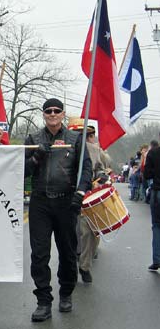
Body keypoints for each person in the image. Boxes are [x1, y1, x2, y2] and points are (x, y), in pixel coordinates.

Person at [24, 98, 92, 322]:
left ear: (63, 114)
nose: (52, 114)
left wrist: (79, 194)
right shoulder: (33, 138)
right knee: (39, 254)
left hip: (66, 202)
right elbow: (22, 172)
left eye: (57, 111)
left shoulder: (76, 138)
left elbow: (86, 170)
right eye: (48, 111)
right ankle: (43, 301)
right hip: (40, 202)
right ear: (43, 114)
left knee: (67, 251)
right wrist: (36, 156)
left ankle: (66, 293)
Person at [68, 119, 110, 284]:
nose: (82, 136)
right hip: (66, 196)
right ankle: (70, 266)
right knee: (69, 233)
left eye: (85, 133)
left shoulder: (94, 150)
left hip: (87, 196)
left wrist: (101, 176)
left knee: (90, 232)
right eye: (77, 133)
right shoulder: (63, 146)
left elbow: (100, 168)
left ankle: (84, 266)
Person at [143, 142, 160, 272]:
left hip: (157, 191)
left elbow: (147, 174)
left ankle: (156, 259)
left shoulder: (153, 153)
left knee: (156, 226)